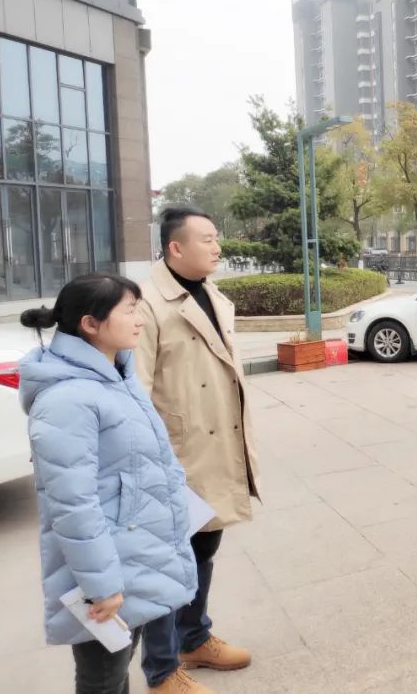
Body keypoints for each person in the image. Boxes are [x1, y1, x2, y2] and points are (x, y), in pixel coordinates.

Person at [18, 274, 198, 694]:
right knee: (103, 679)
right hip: (105, 572)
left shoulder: (117, 375)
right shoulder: (68, 399)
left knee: (116, 671)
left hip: (133, 555)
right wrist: (101, 587)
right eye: (130, 310)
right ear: (90, 324)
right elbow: (72, 504)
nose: (140, 320)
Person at [137, 207, 259, 692]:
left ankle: (194, 638)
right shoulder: (145, 304)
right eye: (206, 238)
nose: (217, 246)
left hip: (216, 446)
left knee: (204, 546)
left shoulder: (209, 292)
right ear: (175, 247)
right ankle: (162, 668)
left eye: (216, 238)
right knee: (168, 560)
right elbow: (136, 392)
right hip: (174, 454)